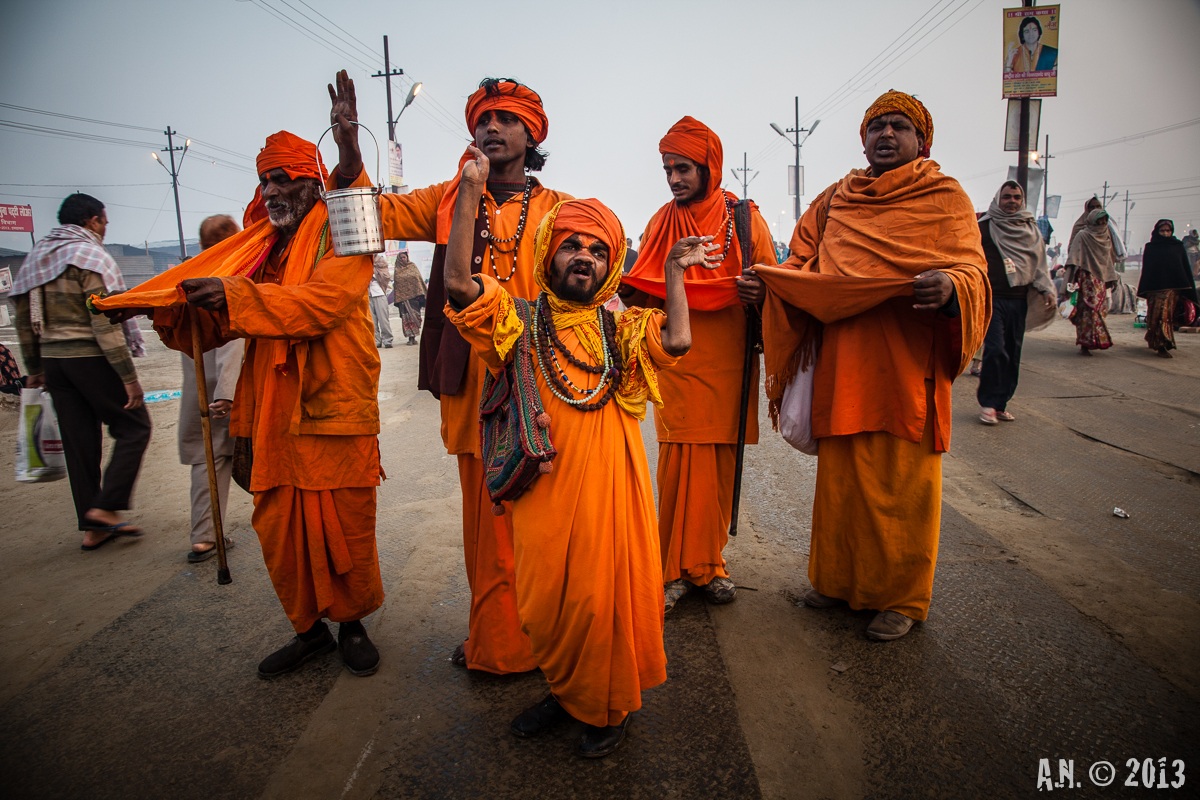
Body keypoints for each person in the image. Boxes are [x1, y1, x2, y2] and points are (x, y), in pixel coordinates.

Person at [443, 145, 711, 757]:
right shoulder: (518, 322)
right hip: (541, 500)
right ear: (548, 256)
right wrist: (468, 193)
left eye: (596, 250)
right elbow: (459, 285)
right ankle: (566, 693)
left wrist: (672, 273)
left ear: (611, 264)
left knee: (599, 603)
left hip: (608, 504)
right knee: (544, 608)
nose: (583, 258)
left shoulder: (623, 327)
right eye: (571, 246)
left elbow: (679, 338)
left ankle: (606, 708)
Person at [96, 131, 385, 678]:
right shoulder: (260, 247)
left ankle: (352, 625)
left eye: (283, 179)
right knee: (279, 526)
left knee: (345, 525)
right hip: (271, 408)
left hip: (333, 401)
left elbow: (321, 305)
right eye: (264, 181)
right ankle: (309, 631)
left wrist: (349, 150)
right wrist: (155, 308)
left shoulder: (341, 230)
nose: (271, 191)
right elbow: (220, 323)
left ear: (312, 183)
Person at [329, 70, 572, 675]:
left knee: (544, 519)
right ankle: (499, 645)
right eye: (483, 119)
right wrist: (351, 151)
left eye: (506, 119)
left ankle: (553, 642)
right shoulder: (449, 196)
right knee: (488, 522)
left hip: (540, 380)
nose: (492, 127)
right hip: (474, 386)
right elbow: (367, 217)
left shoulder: (561, 210)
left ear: (530, 132)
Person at [754, 91, 989, 641]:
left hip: (907, 364)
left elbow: (973, 271)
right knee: (842, 482)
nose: (886, 135)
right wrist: (769, 282)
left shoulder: (943, 196)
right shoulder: (836, 199)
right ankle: (836, 581)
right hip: (843, 359)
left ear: (920, 140)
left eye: (898, 126)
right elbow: (802, 261)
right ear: (862, 139)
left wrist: (951, 286)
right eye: (876, 126)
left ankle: (902, 598)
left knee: (904, 486)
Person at [622, 116, 777, 612]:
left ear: (709, 167)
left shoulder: (746, 219)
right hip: (678, 363)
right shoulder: (659, 223)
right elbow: (638, 293)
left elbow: (777, 283)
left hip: (731, 363)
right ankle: (669, 571)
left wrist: (759, 292)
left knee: (719, 469)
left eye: (683, 168)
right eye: (668, 169)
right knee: (678, 469)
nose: (674, 179)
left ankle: (707, 566)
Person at [12, 193, 151, 550]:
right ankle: (105, 509)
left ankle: (92, 527)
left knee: (80, 443)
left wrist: (35, 368)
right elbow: (104, 320)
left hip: (55, 364)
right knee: (135, 426)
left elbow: (24, 321)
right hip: (90, 358)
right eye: (104, 222)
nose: (105, 229)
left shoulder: (36, 258)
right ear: (92, 220)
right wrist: (128, 377)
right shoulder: (86, 256)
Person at [180, 215, 244, 563]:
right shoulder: (229, 274)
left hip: (198, 380)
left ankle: (204, 534)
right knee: (218, 455)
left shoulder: (190, 273)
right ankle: (206, 536)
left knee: (208, 457)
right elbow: (232, 340)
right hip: (221, 385)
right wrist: (227, 391)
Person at [976, 181, 1056, 425]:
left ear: (1022, 201)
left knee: (1012, 353)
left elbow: (1039, 263)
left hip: (1018, 301)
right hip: (992, 299)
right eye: (1007, 197)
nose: (1011, 201)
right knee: (995, 349)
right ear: (998, 199)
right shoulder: (984, 227)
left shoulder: (1030, 229)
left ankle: (1001, 404)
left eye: (1016, 197)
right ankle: (988, 403)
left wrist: (1047, 289)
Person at [1137, 219, 1198, 358]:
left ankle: (1163, 344)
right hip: (1155, 290)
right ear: (1157, 232)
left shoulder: (1177, 246)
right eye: (1162, 231)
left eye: (1168, 230)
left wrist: (1186, 288)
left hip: (1172, 290)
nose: (1165, 233)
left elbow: (1183, 268)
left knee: (1166, 317)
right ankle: (1155, 340)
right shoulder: (1151, 247)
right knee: (1155, 317)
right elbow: (1148, 270)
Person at [1065, 207, 1118, 355]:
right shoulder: (1083, 235)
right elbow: (1074, 257)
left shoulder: (1106, 237)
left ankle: (1096, 340)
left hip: (1101, 280)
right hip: (1085, 279)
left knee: (1099, 310)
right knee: (1087, 312)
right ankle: (1085, 343)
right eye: (1098, 221)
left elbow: (1108, 260)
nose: (1101, 224)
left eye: (1103, 221)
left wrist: (1110, 278)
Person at [392, 248, 426, 345]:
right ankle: (410, 338)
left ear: (407, 257)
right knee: (406, 319)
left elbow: (418, 280)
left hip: (415, 300)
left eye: (404, 257)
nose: (403, 259)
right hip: (404, 301)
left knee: (415, 317)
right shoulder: (397, 270)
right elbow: (398, 285)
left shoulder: (412, 266)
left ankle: (414, 337)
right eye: (401, 258)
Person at [369, 253, 394, 348]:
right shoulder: (364, 262)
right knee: (372, 322)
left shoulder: (381, 261)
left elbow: (386, 276)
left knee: (383, 320)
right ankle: (376, 341)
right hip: (368, 294)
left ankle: (387, 340)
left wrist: (373, 273)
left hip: (379, 293)